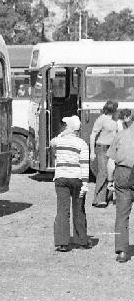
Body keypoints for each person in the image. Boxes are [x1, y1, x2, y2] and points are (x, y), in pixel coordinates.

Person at [50, 115, 90, 252]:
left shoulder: (59, 141)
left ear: (69, 128)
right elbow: (84, 165)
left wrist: (63, 133)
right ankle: (81, 240)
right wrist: (85, 184)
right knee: (79, 209)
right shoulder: (82, 144)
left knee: (62, 210)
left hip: (61, 178)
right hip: (77, 178)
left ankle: (62, 242)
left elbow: (52, 143)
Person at [106, 108, 134, 263]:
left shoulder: (120, 135)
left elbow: (111, 162)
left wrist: (110, 181)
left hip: (123, 174)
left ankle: (122, 251)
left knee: (122, 214)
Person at [89, 100, 118, 208]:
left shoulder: (115, 120)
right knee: (103, 172)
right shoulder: (101, 119)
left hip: (112, 149)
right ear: (112, 109)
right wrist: (92, 152)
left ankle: (108, 198)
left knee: (112, 172)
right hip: (102, 148)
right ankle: (98, 199)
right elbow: (93, 135)